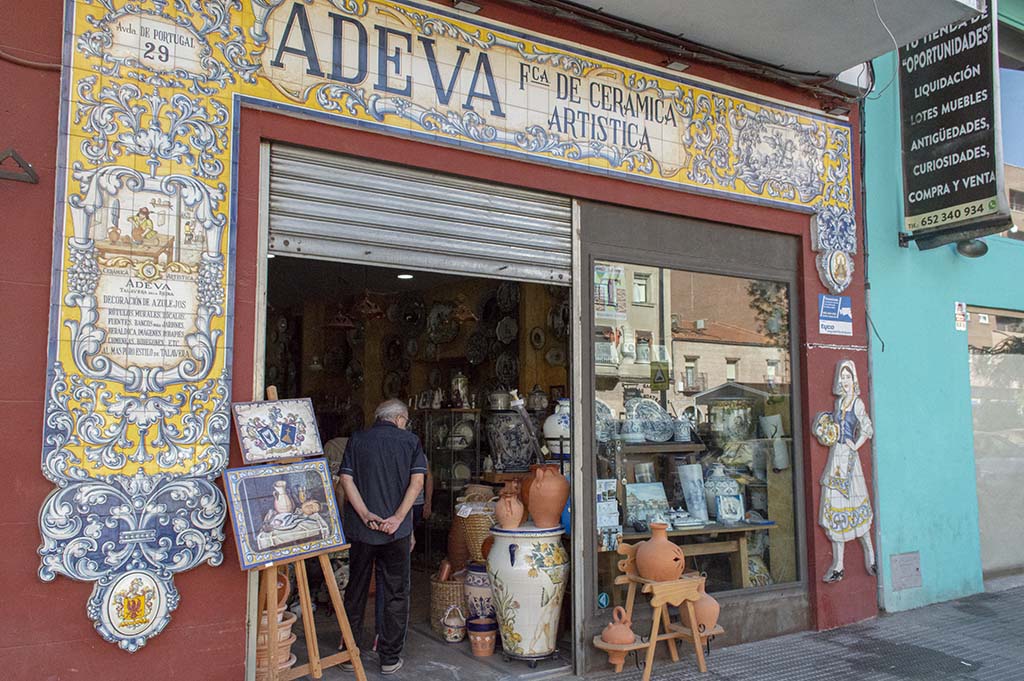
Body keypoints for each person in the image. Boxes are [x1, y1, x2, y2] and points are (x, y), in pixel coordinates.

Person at [338, 399, 426, 675]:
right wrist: (399, 518)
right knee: (395, 592)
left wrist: (364, 514)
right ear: (400, 419)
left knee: (356, 589)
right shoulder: (410, 442)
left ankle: (347, 652)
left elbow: (345, 479)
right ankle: (389, 658)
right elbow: (418, 483)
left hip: (362, 530)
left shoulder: (358, 439)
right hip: (395, 532)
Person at [818, 360, 875, 583]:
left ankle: (870, 554)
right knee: (835, 506)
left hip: (850, 460)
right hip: (837, 457)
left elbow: (867, 427)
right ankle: (839, 564)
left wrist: (856, 444)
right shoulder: (840, 402)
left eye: (847, 376)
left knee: (855, 504)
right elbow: (834, 425)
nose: (844, 380)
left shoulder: (857, 403)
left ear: (854, 379)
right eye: (841, 377)